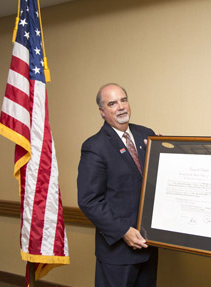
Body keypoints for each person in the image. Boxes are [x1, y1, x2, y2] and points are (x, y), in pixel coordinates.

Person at [77, 83, 158, 287]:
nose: (121, 107)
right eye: (112, 103)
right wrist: (124, 231)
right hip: (118, 253)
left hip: (149, 245)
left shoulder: (147, 135)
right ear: (102, 111)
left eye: (123, 100)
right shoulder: (95, 146)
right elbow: (89, 201)